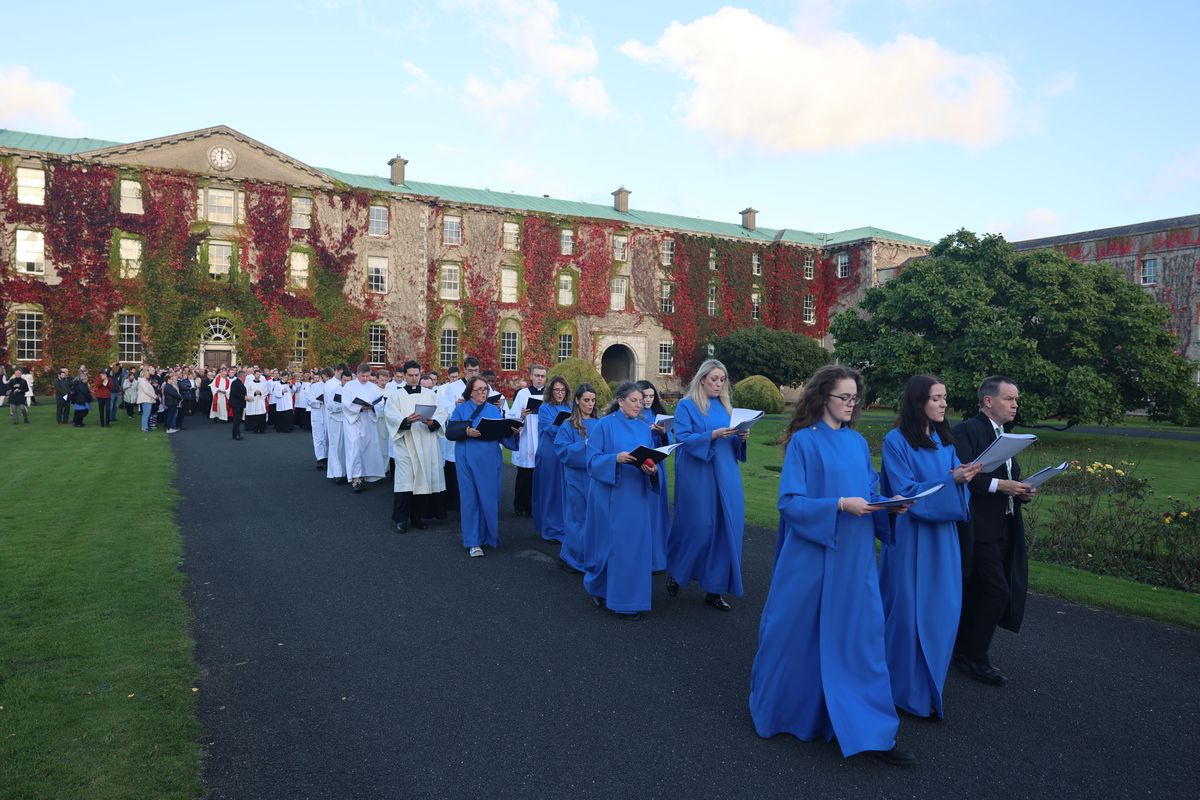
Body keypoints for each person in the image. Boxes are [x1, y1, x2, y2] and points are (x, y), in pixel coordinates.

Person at [748, 364, 916, 766]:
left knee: (860, 639)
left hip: (855, 557)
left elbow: (870, 489)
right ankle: (795, 714)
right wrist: (840, 504)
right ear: (823, 397)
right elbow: (790, 503)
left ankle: (871, 730)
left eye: (854, 398)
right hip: (812, 556)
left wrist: (891, 506)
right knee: (797, 636)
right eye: (843, 397)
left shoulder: (858, 442)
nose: (850, 404)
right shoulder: (804, 442)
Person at [879, 374, 978, 718]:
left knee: (942, 610)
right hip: (911, 536)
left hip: (944, 539)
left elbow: (956, 488)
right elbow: (904, 491)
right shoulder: (895, 441)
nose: (943, 404)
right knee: (907, 612)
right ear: (918, 401)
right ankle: (901, 690)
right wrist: (952, 479)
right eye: (936, 398)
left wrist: (961, 477)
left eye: (945, 398)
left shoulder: (944, 439)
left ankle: (930, 685)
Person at [951, 375, 1035, 687]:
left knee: (981, 591)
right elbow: (962, 475)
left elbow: (1009, 474)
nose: (1015, 404)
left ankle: (963, 650)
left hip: (1005, 525)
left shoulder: (1005, 435)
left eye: (1016, 399)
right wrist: (1003, 486)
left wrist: (1022, 490)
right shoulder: (967, 431)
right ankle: (975, 657)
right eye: (1009, 399)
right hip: (980, 528)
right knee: (996, 590)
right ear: (989, 401)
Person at [665, 359, 749, 612]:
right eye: (714, 379)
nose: (718, 384)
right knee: (699, 525)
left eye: (722, 380)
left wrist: (741, 438)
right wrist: (711, 435)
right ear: (702, 379)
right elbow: (683, 439)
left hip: (726, 472)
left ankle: (715, 589)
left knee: (726, 528)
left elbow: (734, 447)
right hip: (697, 474)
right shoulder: (686, 406)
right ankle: (677, 571)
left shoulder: (726, 407)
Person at [581, 382, 664, 618]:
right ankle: (599, 587)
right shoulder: (604, 426)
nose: (639, 405)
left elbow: (649, 458)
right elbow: (591, 460)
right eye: (634, 401)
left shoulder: (645, 428)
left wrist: (652, 469)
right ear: (620, 401)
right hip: (609, 494)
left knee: (635, 548)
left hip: (636, 495)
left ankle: (629, 600)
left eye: (641, 401)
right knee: (610, 546)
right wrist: (614, 459)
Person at [446, 375, 519, 556]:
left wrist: (513, 433)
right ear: (470, 392)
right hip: (467, 459)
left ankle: (489, 535)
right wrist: (466, 430)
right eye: (478, 389)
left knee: (490, 498)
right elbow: (450, 431)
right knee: (471, 499)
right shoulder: (461, 409)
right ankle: (473, 542)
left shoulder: (494, 411)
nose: (483, 392)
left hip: (491, 461)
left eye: (485, 389)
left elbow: (503, 436)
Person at [385, 360, 448, 532]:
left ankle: (417, 517)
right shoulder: (396, 396)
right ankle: (401, 519)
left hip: (426, 441)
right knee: (405, 482)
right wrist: (406, 420)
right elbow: (390, 415)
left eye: (416, 375)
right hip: (406, 442)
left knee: (423, 479)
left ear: (420, 374)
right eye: (410, 375)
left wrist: (432, 422)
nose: (414, 378)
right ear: (404, 376)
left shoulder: (430, 395)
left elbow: (442, 413)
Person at [555, 383, 601, 572]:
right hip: (576, 477)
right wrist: (585, 444)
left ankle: (591, 555)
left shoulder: (600, 423)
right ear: (577, 400)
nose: (590, 404)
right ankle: (573, 556)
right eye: (586, 400)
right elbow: (562, 451)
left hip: (596, 478)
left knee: (594, 518)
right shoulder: (568, 425)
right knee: (578, 517)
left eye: (593, 401)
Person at [532, 376, 571, 542]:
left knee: (565, 492)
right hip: (549, 454)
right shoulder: (544, 409)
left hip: (566, 454)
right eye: (556, 390)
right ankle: (549, 529)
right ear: (551, 391)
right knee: (550, 491)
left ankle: (563, 526)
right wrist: (569, 427)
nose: (560, 393)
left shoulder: (570, 407)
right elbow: (550, 429)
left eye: (563, 390)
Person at [437, 357, 480, 510]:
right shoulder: (453, 387)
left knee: (472, 467)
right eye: (470, 370)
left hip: (475, 432)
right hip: (457, 431)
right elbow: (443, 409)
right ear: (464, 370)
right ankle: (453, 502)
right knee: (454, 466)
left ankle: (472, 499)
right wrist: (455, 405)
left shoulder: (481, 386)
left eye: (476, 370)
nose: (473, 373)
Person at [509, 364, 548, 515]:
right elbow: (512, 417)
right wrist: (522, 415)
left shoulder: (549, 395)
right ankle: (520, 505)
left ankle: (537, 506)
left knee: (542, 475)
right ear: (531, 376)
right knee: (525, 474)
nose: (539, 379)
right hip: (527, 437)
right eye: (537, 375)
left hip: (542, 436)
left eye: (542, 376)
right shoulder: (523, 394)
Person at [342, 363, 386, 493]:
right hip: (353, 422)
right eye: (363, 376)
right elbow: (345, 404)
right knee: (354, 448)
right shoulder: (349, 386)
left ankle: (366, 474)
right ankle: (356, 478)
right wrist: (359, 407)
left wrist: (372, 407)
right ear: (357, 374)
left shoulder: (373, 387)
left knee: (368, 448)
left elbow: (380, 402)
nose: (365, 378)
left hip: (368, 420)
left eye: (367, 376)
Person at [325, 368, 351, 484]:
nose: (346, 382)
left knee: (347, 448)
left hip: (348, 421)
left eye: (348, 381)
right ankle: (337, 473)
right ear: (341, 379)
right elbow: (331, 406)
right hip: (336, 421)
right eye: (344, 380)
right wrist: (343, 406)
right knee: (336, 447)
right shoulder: (336, 390)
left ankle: (346, 472)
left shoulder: (352, 390)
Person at [635, 379, 670, 447]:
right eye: (645, 396)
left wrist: (664, 432)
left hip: (658, 453)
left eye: (651, 396)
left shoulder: (659, 411)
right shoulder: (631, 413)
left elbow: (669, 440)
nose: (648, 400)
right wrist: (647, 431)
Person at [309, 367, 331, 470]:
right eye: (326, 377)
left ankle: (329, 458)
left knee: (329, 437)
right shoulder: (314, 386)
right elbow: (309, 399)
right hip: (318, 413)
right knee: (318, 436)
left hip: (329, 413)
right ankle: (321, 458)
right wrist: (320, 401)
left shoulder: (333, 386)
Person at [244, 369, 269, 433]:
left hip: (260, 400)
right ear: (254, 375)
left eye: (259, 374)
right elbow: (246, 391)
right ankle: (252, 428)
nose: (258, 375)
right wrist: (254, 393)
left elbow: (266, 391)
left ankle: (261, 428)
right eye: (257, 374)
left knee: (260, 413)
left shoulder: (263, 383)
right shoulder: (249, 383)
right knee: (253, 412)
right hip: (253, 400)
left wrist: (260, 393)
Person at [136, 367, 156, 432]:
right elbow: (146, 391)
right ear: (144, 374)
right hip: (146, 399)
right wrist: (155, 396)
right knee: (146, 414)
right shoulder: (143, 381)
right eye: (147, 373)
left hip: (147, 399)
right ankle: (144, 428)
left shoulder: (144, 381)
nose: (149, 374)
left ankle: (146, 427)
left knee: (147, 414)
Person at [229, 369, 247, 439]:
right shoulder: (235, 382)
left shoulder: (240, 382)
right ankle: (236, 434)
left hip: (239, 404)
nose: (245, 377)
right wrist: (244, 397)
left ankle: (236, 434)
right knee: (236, 420)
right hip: (236, 404)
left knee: (238, 420)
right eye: (244, 376)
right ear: (241, 376)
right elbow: (234, 393)